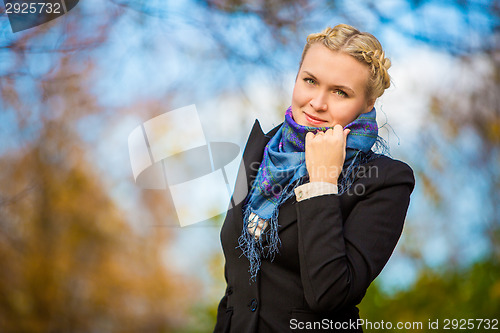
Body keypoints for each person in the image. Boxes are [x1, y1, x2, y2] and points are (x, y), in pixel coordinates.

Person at [214, 23, 415, 333]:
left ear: (367, 104)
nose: (318, 103)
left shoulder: (385, 181)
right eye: (310, 81)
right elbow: (236, 289)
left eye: (340, 92)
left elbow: (329, 294)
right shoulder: (262, 151)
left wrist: (322, 183)